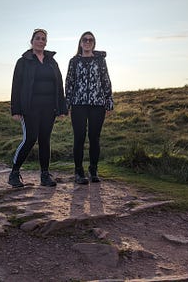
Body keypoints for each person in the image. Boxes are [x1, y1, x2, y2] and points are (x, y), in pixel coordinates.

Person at [9, 28, 68, 188]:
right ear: (32, 41)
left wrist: (62, 108)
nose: (41, 41)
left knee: (45, 140)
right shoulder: (23, 61)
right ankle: (14, 173)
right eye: (38, 38)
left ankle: (45, 175)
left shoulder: (51, 61)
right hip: (30, 107)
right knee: (30, 139)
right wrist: (15, 109)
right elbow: (16, 85)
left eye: (43, 39)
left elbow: (59, 85)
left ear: (46, 42)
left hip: (49, 108)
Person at [65, 31, 114, 184]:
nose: (87, 42)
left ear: (94, 43)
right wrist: (67, 103)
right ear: (80, 43)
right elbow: (69, 82)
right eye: (84, 40)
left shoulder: (100, 61)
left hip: (97, 104)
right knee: (79, 137)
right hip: (78, 104)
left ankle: (93, 170)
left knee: (94, 138)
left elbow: (106, 80)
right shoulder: (74, 61)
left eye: (90, 40)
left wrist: (108, 100)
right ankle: (78, 171)